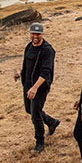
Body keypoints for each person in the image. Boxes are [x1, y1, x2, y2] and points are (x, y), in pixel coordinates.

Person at [15, 22, 60, 154]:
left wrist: (35, 88)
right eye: (33, 33)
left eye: (38, 34)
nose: (35, 36)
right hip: (27, 85)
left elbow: (46, 72)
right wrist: (20, 73)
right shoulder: (29, 46)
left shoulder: (47, 50)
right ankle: (52, 122)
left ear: (42, 34)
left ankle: (39, 143)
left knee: (35, 115)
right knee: (29, 109)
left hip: (39, 87)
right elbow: (27, 64)